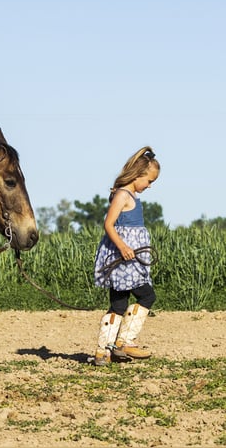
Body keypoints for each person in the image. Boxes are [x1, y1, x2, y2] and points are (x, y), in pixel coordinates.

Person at [93, 146, 160, 366]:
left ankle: (104, 351)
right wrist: (123, 247)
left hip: (129, 260)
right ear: (138, 175)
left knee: (119, 305)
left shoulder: (129, 195)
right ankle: (124, 342)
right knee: (147, 296)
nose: (149, 186)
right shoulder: (122, 195)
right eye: (149, 181)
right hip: (124, 260)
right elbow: (108, 224)